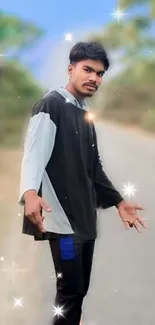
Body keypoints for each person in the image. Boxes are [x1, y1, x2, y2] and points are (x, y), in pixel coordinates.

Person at [18, 41, 146, 325]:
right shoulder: (51, 105)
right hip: (63, 226)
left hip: (84, 221)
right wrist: (29, 193)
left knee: (79, 291)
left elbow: (94, 168)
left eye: (100, 74)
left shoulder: (84, 115)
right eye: (88, 70)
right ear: (71, 69)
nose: (94, 78)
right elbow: (33, 154)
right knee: (70, 292)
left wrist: (118, 202)